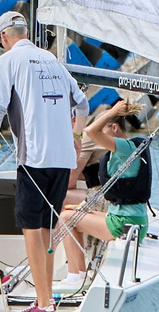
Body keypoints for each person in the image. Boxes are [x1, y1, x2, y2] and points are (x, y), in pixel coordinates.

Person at [0, 8, 84, 312]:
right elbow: (82, 101)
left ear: (2, 37)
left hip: (34, 158)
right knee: (48, 228)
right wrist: (76, 137)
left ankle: (44, 303)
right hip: (63, 158)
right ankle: (47, 298)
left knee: (30, 228)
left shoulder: (6, 61)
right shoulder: (53, 60)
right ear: (26, 32)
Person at [56, 98, 149, 292]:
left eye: (104, 130)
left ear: (114, 128)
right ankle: (79, 271)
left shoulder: (125, 148)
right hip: (127, 217)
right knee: (75, 211)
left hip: (126, 222)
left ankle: (76, 277)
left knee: (66, 218)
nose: (99, 138)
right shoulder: (128, 147)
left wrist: (113, 111)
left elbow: (90, 132)